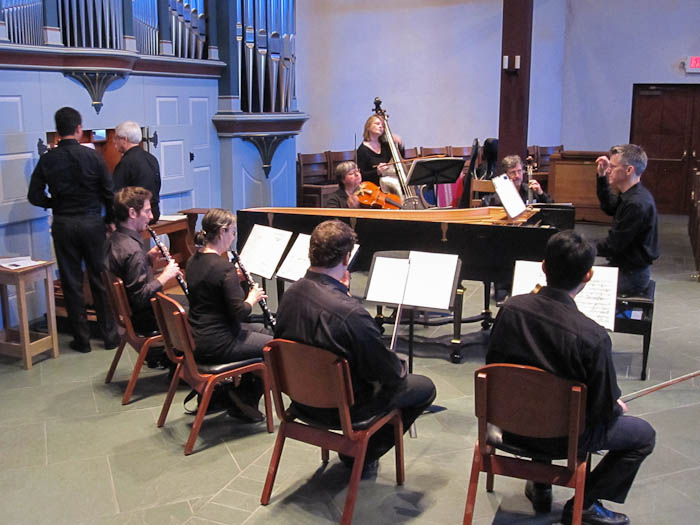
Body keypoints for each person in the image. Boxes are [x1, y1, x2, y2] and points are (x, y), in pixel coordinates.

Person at [486, 230, 655, 525]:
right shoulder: (593, 336)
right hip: (564, 439)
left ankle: (540, 485)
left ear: (543, 266)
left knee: (538, 395)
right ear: (588, 275)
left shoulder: (510, 309)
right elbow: (601, 411)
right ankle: (584, 504)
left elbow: (494, 366)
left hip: (508, 424)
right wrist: (615, 406)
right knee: (643, 436)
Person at [274, 220, 436, 474]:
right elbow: (389, 373)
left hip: (299, 400)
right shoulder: (349, 313)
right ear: (347, 258)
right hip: (342, 410)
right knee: (423, 387)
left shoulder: (290, 294)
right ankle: (361, 452)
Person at [27, 106, 117, 353]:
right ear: (79, 128)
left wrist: (53, 203)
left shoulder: (48, 159)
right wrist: (110, 219)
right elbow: (108, 192)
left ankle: (82, 339)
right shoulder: (93, 157)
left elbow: (34, 195)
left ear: (57, 131)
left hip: (64, 223)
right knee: (100, 278)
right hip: (92, 222)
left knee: (71, 280)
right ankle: (109, 335)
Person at [186, 208, 272, 420]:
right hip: (219, 342)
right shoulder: (224, 268)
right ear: (222, 231)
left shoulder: (193, 260)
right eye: (232, 232)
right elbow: (240, 313)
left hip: (198, 336)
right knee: (274, 347)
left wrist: (235, 282)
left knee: (264, 331)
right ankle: (244, 398)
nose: (233, 237)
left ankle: (236, 393)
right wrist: (252, 298)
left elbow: (214, 295)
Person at [106, 187, 181, 366]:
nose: (151, 216)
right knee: (198, 310)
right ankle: (185, 365)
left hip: (132, 314)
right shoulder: (133, 251)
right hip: (146, 318)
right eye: (147, 211)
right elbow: (139, 297)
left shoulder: (116, 239)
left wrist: (148, 259)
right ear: (132, 213)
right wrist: (165, 276)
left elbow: (127, 272)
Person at [595, 144, 659, 295]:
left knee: (575, 282)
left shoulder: (636, 203)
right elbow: (609, 207)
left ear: (629, 170)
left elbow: (613, 245)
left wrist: (578, 246)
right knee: (575, 277)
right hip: (626, 268)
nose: (609, 170)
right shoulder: (631, 194)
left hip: (632, 276)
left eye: (612, 166)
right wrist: (601, 176)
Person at [112, 121, 162, 224]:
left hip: (137, 216)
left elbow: (116, 194)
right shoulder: (151, 158)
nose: (114, 141)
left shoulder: (126, 162)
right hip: (154, 213)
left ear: (125, 139)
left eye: (116, 138)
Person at [356, 114, 405, 196]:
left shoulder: (385, 146)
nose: (381, 126)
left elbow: (399, 160)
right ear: (368, 127)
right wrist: (377, 171)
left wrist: (400, 145)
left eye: (382, 125)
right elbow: (362, 176)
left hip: (391, 187)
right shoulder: (362, 150)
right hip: (374, 190)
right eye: (377, 124)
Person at [482, 154, 553, 206]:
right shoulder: (502, 192)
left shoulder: (530, 189)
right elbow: (487, 204)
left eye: (519, 171)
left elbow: (551, 207)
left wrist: (541, 193)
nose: (517, 176)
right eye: (513, 172)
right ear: (505, 175)